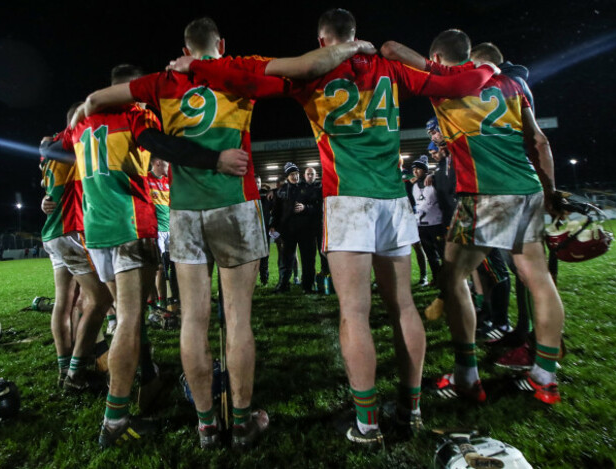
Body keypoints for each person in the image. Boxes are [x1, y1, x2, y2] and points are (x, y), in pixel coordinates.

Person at [174, 8, 498, 444]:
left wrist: (196, 66)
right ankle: (410, 409)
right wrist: (488, 67)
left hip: (347, 201)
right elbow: (453, 83)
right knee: (403, 306)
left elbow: (244, 79)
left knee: (354, 312)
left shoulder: (311, 75)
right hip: (391, 198)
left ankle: (366, 423)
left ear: (324, 41)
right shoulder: (389, 67)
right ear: (353, 35)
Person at [73, 18, 373, 449]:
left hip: (184, 212)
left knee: (193, 321)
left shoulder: (164, 80)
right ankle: (245, 420)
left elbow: (96, 99)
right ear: (222, 44)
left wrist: (84, 113)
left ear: (186, 47)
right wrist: (354, 46)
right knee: (237, 319)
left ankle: (206, 426)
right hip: (235, 203)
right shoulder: (241, 68)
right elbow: (308, 64)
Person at [382, 31, 566, 405]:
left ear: (438, 55)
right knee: (538, 279)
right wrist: (550, 192)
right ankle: (545, 377)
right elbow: (539, 141)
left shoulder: (446, 84)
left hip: (483, 193)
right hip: (526, 188)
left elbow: (398, 53)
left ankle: (467, 375)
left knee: (452, 278)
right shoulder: (513, 84)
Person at [40, 104, 114, 393]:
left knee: (65, 302)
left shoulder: (52, 146)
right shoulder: (73, 139)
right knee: (101, 299)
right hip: (71, 230)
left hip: (54, 232)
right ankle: (76, 374)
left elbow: (49, 172)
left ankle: (64, 369)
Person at [269, 162, 317, 294]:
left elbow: (316, 208)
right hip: (288, 232)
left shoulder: (308, 188)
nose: (295, 176)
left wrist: (305, 208)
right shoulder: (281, 191)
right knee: (286, 260)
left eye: (296, 173)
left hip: (307, 231)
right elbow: (277, 211)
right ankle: (283, 285)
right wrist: (273, 225)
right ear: (287, 176)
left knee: (308, 260)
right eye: (292, 174)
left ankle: (308, 286)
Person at [411, 155, 445, 286]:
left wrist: (433, 175)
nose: (415, 171)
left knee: (443, 254)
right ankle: (437, 279)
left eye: (419, 169)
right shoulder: (413, 186)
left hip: (436, 223)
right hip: (421, 226)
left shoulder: (434, 181)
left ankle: (448, 279)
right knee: (431, 255)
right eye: (414, 169)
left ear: (425, 170)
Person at [146, 157, 171, 309]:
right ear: (158, 162)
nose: (169, 167)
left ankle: (167, 301)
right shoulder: (146, 179)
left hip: (170, 229)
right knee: (157, 269)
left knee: (168, 267)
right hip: (155, 230)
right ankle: (156, 304)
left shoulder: (168, 181)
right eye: (167, 163)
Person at [304, 167, 330, 288]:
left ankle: (326, 277)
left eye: (312, 174)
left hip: (320, 224)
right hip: (307, 226)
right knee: (309, 255)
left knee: (323, 252)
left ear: (316, 175)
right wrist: (272, 191)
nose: (310, 176)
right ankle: (309, 281)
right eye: (308, 174)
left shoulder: (321, 187)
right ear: (304, 175)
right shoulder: (300, 187)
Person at [256, 175, 272, 286]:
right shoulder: (246, 195)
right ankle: (251, 280)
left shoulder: (266, 195)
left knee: (265, 255)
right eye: (255, 182)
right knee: (252, 257)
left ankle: (264, 279)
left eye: (258, 182)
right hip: (251, 231)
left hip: (264, 230)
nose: (257, 184)